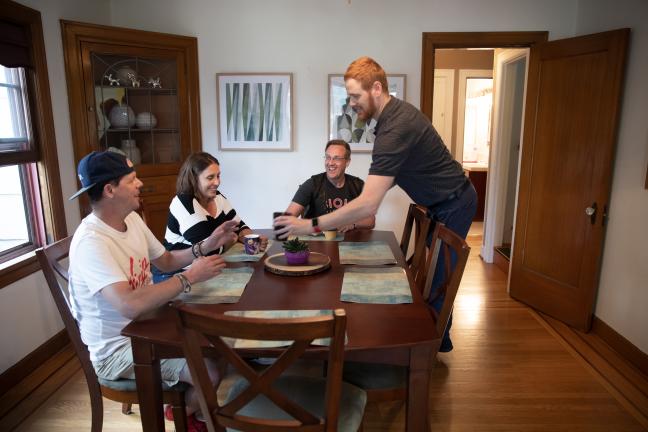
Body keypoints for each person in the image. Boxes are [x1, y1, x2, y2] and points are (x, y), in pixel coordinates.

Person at [274, 56, 477, 352]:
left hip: (454, 202)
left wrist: (310, 224)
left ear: (377, 88)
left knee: (438, 280)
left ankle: (427, 351)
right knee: (433, 278)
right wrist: (355, 207)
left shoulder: (396, 127)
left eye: (356, 96)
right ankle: (432, 341)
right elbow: (382, 183)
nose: (352, 103)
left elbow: (369, 205)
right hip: (439, 203)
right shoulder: (390, 122)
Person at [68, 151, 238, 432]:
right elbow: (129, 305)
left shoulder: (131, 219)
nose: (140, 184)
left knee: (217, 342)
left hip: (148, 324)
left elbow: (167, 260)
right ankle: (190, 418)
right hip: (118, 348)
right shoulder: (91, 242)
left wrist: (207, 244)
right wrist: (188, 278)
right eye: (132, 179)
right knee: (208, 369)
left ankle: (188, 410)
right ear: (110, 190)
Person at [153, 152, 268, 282]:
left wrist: (250, 239)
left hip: (206, 269)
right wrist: (233, 239)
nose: (217, 182)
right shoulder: (184, 203)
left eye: (218, 176)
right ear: (194, 179)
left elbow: (240, 226)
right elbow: (208, 250)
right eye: (210, 177)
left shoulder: (217, 197)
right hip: (177, 275)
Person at [284, 139, 375, 232]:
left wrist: (352, 224)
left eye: (337, 158)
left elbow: (371, 221)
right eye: (328, 157)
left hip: (348, 242)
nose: (330, 163)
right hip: (317, 242)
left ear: (347, 162)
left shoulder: (358, 185)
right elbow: (286, 220)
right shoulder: (312, 184)